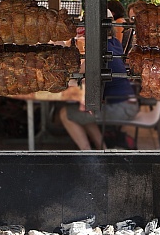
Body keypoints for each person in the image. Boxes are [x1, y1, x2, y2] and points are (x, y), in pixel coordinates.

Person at [59, 10, 139, 150]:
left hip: (120, 108)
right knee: (87, 110)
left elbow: (77, 73)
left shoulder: (98, 50)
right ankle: (101, 149)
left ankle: (88, 155)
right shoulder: (114, 42)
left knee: (65, 114)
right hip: (128, 103)